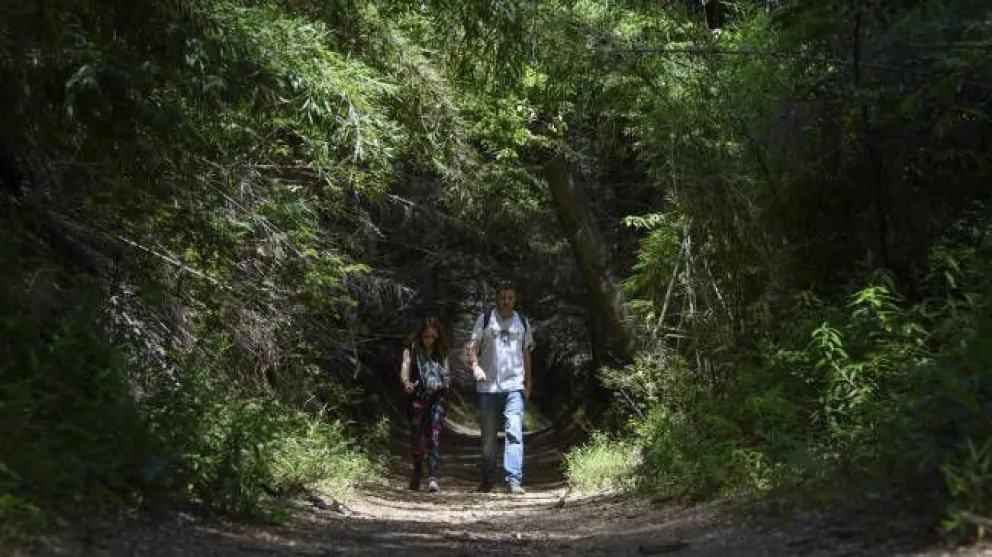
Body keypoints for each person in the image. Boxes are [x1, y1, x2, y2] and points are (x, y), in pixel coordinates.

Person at [467, 280, 534, 495]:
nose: (506, 301)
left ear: (514, 299)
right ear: (497, 298)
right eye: (502, 297)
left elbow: (526, 354)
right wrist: (475, 366)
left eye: (510, 298)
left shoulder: (522, 322)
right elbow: (473, 346)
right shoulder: (485, 319)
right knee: (488, 439)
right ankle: (487, 478)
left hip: (514, 385)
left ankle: (513, 480)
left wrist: (528, 382)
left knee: (514, 430)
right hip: (488, 388)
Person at [399, 317, 450, 492]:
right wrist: (407, 382)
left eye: (433, 337)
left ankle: (433, 477)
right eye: (426, 336)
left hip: (437, 398)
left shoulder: (441, 352)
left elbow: (447, 375)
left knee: (433, 436)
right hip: (417, 398)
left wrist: (442, 387)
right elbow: (405, 368)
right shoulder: (411, 351)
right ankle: (418, 470)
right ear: (420, 335)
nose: (429, 340)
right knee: (416, 438)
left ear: (438, 337)